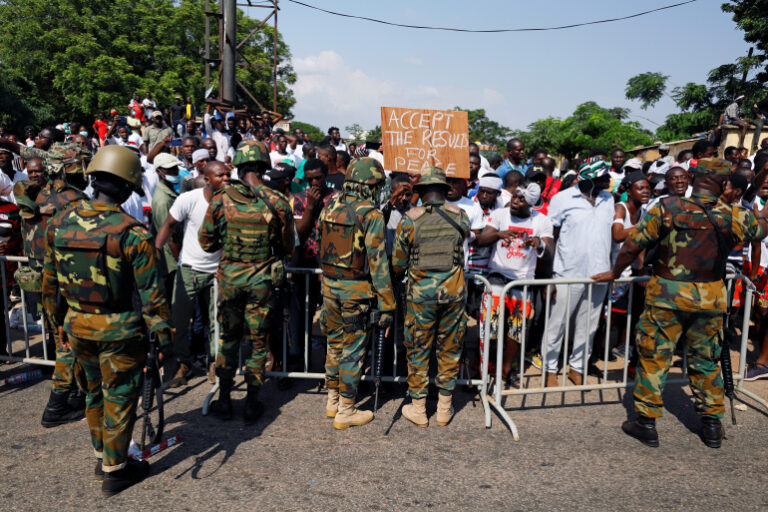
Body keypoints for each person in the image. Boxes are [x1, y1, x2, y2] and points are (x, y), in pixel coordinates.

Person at [593, 157, 768, 449]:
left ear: (695, 178)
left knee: (654, 358)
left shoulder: (667, 208)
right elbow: (761, 229)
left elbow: (632, 244)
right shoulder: (732, 215)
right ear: (723, 184)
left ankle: (646, 424)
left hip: (666, 296)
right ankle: (712, 426)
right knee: (706, 360)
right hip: (709, 298)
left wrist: (613, 272)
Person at [42, 145, 173, 496]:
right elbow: (151, 294)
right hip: (120, 330)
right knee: (119, 395)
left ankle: (102, 454)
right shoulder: (131, 232)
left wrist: (58, 325)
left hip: (77, 326)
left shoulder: (59, 223)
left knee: (93, 393)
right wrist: (163, 336)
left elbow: (50, 283)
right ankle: (116, 469)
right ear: (128, 186)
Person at [199, 140, 293, 422]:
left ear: (237, 166)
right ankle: (252, 403)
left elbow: (205, 243)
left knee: (228, 339)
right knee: (257, 343)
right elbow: (288, 246)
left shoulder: (220, 199)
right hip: (262, 281)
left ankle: (225, 399)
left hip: (229, 280)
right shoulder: (277, 201)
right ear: (265, 166)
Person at [16, 143, 91, 428]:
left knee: (64, 339)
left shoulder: (41, 194)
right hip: (69, 285)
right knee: (69, 344)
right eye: (79, 164)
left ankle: (73, 394)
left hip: (53, 284)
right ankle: (57, 405)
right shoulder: (75, 199)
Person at [317, 157, 394, 428]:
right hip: (356, 293)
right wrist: (387, 304)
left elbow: (320, 247)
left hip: (329, 288)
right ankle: (346, 411)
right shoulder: (370, 214)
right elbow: (378, 261)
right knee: (352, 349)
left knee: (335, 344)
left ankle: (332, 401)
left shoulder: (329, 207)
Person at [391, 166, 469, 427]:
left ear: (421, 191)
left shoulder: (410, 219)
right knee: (449, 349)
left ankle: (419, 409)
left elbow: (398, 263)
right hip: (453, 295)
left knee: (418, 350)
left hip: (420, 297)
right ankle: (445, 409)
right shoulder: (461, 216)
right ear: (445, 190)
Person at [156, 161, 230, 387]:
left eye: (227, 175)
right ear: (207, 179)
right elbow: (168, 225)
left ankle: (214, 363)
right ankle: (182, 365)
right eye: (220, 176)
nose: (226, 179)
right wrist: (156, 253)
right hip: (188, 270)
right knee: (179, 321)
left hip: (216, 272)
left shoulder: (232, 202)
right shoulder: (188, 199)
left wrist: (225, 264)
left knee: (216, 322)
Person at [542, 159, 614, 386]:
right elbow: (550, 236)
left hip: (599, 273)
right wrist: (549, 277)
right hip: (567, 272)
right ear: (590, 179)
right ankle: (549, 368)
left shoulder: (608, 199)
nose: (608, 181)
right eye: (603, 177)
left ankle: (578, 367)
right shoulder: (562, 199)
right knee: (558, 323)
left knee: (589, 325)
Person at [476, 182, 554, 388]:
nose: (515, 202)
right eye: (514, 197)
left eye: (521, 199)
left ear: (531, 203)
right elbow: (482, 239)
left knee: (515, 331)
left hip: (522, 283)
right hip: (496, 278)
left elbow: (551, 251)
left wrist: (540, 243)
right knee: (490, 328)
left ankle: (506, 370)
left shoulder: (542, 220)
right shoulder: (500, 215)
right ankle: (486, 367)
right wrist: (498, 234)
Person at [151, 153, 183, 298]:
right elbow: (170, 236)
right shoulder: (163, 200)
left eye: (175, 168)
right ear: (159, 172)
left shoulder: (169, 192)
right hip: (172, 261)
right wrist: (180, 261)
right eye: (169, 169)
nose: (175, 171)